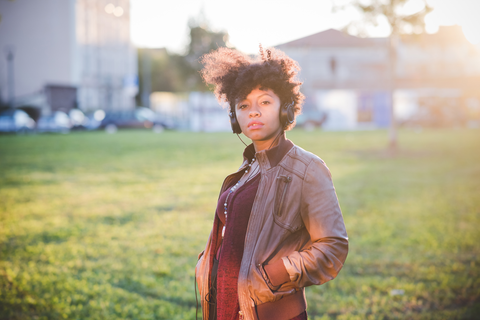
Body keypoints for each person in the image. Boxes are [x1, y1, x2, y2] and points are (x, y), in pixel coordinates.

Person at [195, 46, 348, 320]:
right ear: (234, 117)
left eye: (264, 102)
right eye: (243, 105)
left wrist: (273, 275)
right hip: (226, 306)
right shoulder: (246, 169)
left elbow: (332, 247)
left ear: (286, 109)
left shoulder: (309, 169)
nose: (253, 112)